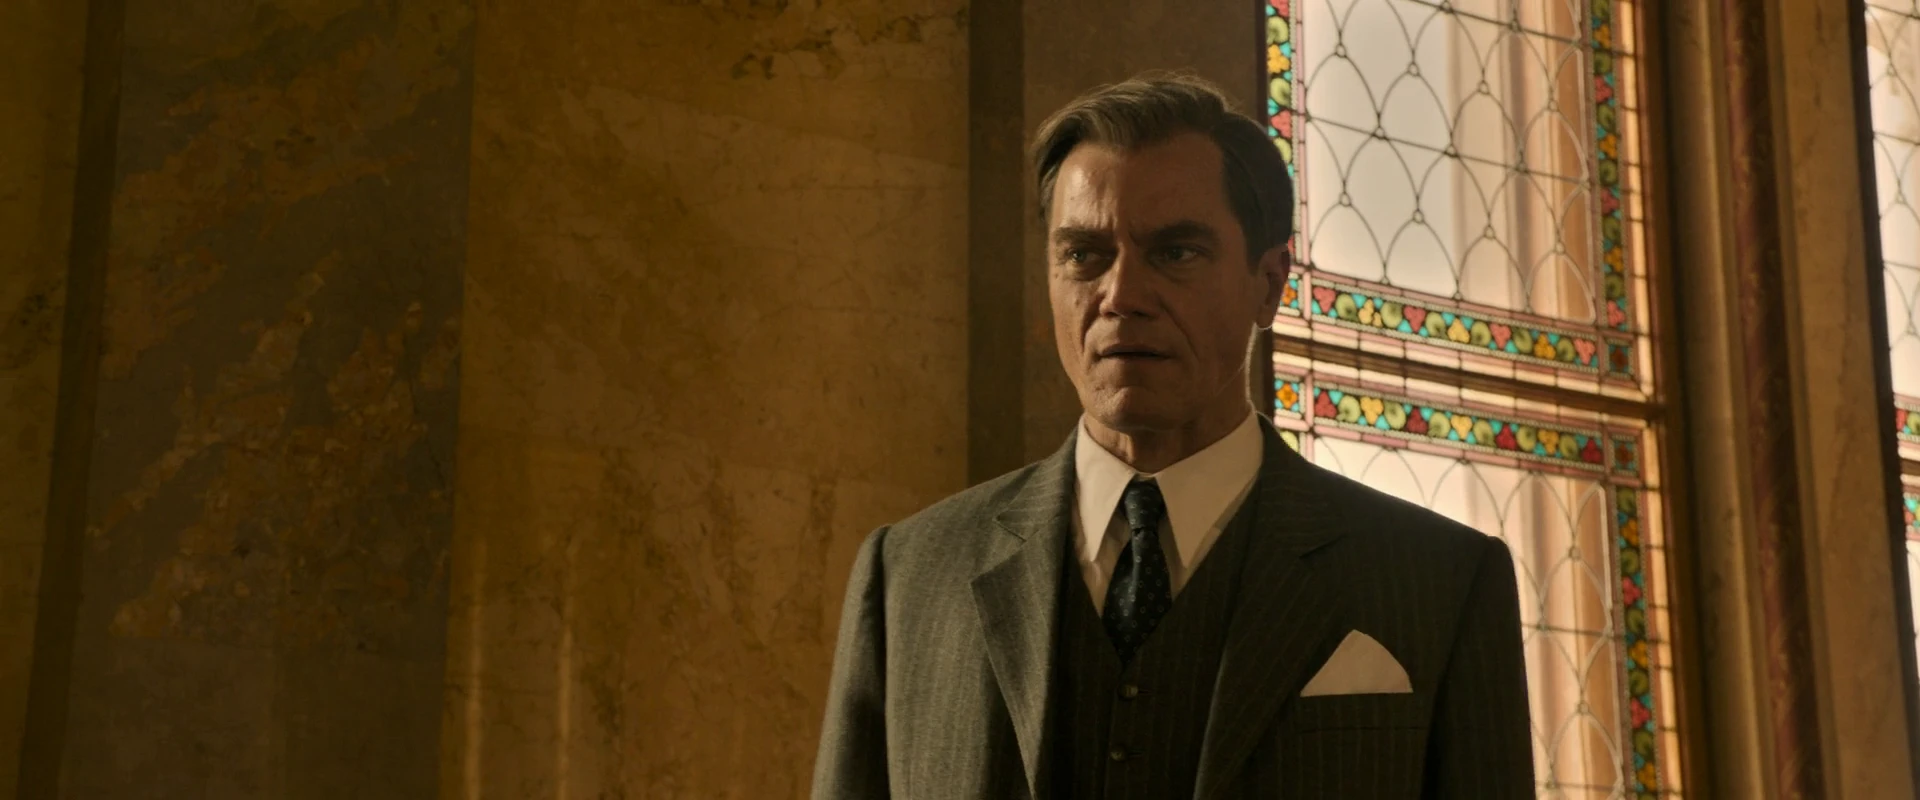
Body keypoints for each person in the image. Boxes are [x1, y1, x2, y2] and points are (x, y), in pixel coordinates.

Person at [811, 73, 1534, 799]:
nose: (1121, 296)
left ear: (1269, 283)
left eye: (1175, 252)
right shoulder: (909, 574)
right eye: (1083, 255)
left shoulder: (1439, 584)